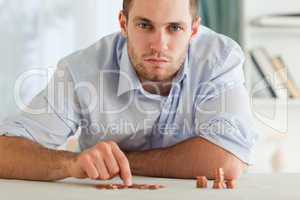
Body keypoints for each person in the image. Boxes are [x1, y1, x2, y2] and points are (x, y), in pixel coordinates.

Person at [0, 0, 258, 186]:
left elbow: (228, 159)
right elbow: (5, 152)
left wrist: (120, 163)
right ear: (124, 23)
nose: (159, 45)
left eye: (175, 28)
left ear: (193, 30)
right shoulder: (81, 71)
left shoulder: (219, 58)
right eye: (145, 25)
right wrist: (73, 163)